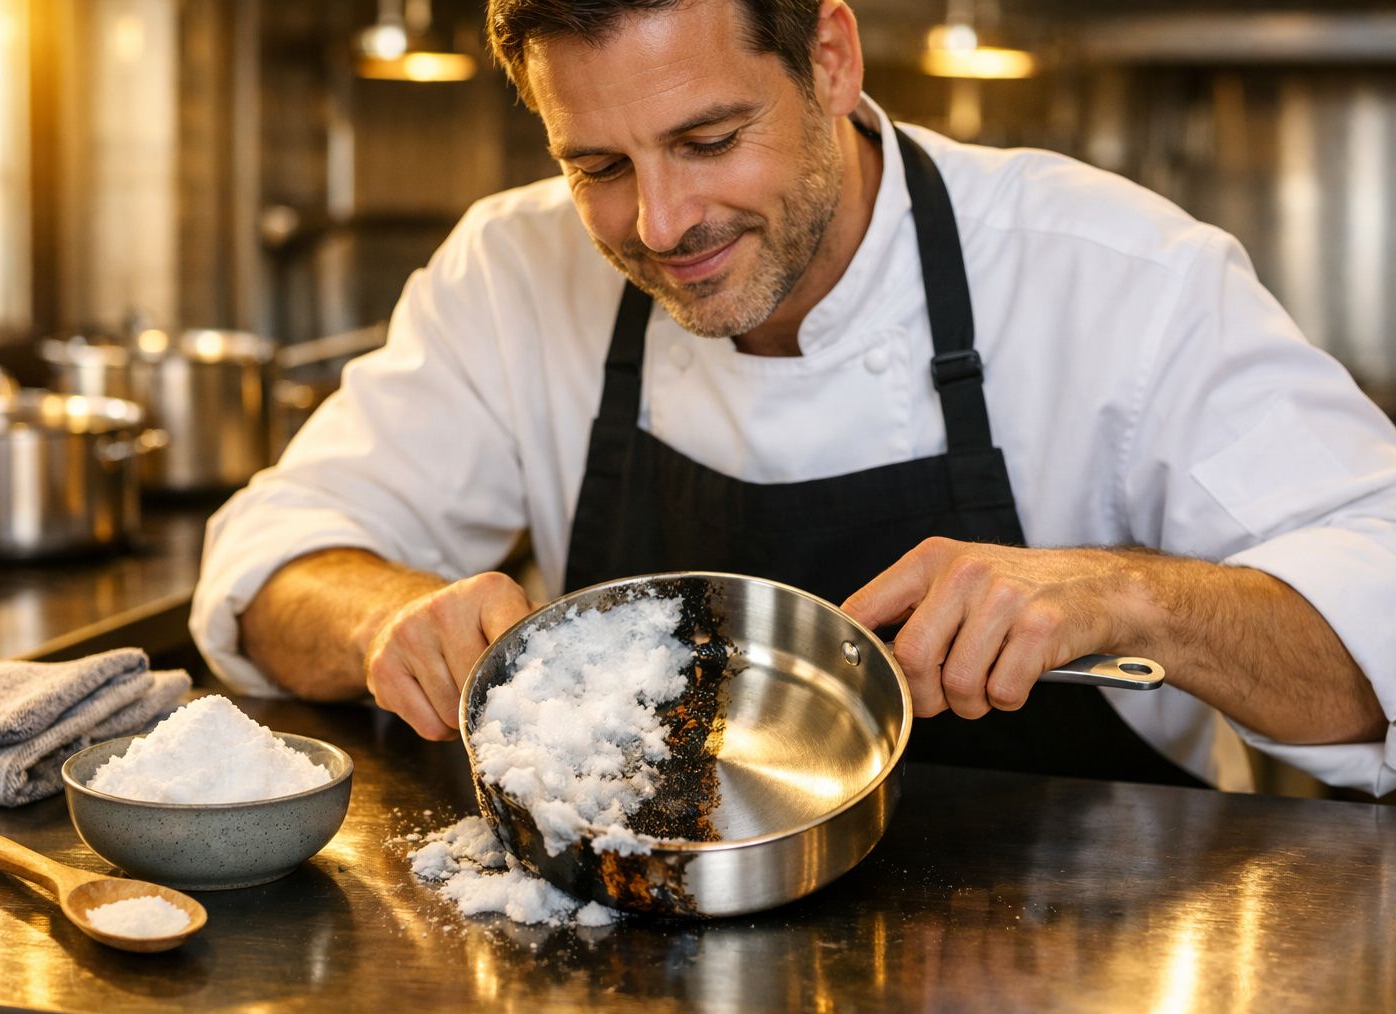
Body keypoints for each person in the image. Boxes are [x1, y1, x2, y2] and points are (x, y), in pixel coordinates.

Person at [192, 0, 1396, 794]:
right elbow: (273, 566)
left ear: (830, 58)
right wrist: (382, 617)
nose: (663, 225)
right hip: (648, 950)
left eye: (711, 140)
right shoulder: (512, 270)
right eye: (598, 167)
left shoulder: (1119, 275)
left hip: (1076, 956)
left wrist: (1133, 597)